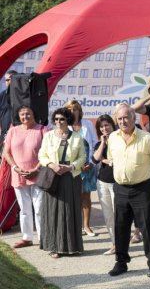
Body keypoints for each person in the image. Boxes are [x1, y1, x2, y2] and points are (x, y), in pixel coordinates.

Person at [107, 103, 150, 277]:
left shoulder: (147, 138)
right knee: (121, 227)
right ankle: (121, 262)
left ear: (134, 118)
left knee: (147, 227)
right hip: (120, 188)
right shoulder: (113, 138)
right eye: (119, 118)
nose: (123, 121)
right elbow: (111, 158)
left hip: (143, 188)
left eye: (126, 118)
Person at [38, 107, 86, 258]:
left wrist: (71, 166)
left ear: (68, 120)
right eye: (56, 119)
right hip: (53, 176)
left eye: (62, 119)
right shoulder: (48, 136)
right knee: (53, 212)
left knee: (70, 211)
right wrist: (52, 165)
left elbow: (82, 157)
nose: (58, 122)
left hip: (70, 176)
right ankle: (54, 247)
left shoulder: (77, 137)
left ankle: (72, 247)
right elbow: (42, 155)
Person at [3, 105, 47, 248]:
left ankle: (43, 238)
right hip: (19, 176)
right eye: (22, 114)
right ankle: (27, 238)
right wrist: (15, 168)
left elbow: (48, 152)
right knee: (24, 209)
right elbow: (7, 153)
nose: (25, 117)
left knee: (39, 208)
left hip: (38, 175)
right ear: (19, 116)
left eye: (28, 113)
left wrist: (36, 169)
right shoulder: (13, 131)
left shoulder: (42, 130)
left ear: (33, 114)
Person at [65, 99, 98, 237]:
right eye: (70, 109)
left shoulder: (88, 124)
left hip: (88, 167)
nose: (73, 111)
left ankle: (86, 226)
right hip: (72, 168)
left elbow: (95, 144)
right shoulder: (65, 126)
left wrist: (91, 162)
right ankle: (76, 226)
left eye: (75, 109)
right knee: (73, 197)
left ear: (80, 111)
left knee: (86, 197)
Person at [91, 114, 118, 255]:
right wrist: (102, 143)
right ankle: (114, 244)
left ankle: (121, 243)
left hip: (117, 183)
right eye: (101, 126)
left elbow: (117, 160)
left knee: (118, 214)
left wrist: (106, 160)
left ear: (112, 125)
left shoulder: (120, 140)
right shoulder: (99, 144)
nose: (104, 128)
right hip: (102, 183)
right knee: (108, 216)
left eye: (107, 125)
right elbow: (95, 159)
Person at [0, 70, 17, 152]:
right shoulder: (2, 96)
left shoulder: (25, 95)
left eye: (10, 79)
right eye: (6, 80)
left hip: (19, 137)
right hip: (4, 136)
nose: (8, 82)